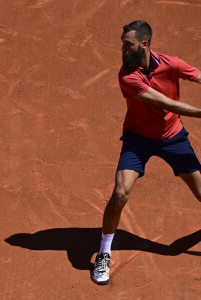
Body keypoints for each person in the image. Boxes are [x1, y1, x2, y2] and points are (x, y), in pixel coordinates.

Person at [91, 20, 201, 285]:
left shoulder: (172, 63)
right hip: (137, 139)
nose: (122, 49)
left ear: (144, 44)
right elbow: (164, 102)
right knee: (120, 194)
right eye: (122, 44)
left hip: (173, 137)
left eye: (127, 44)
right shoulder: (127, 75)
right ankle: (104, 253)